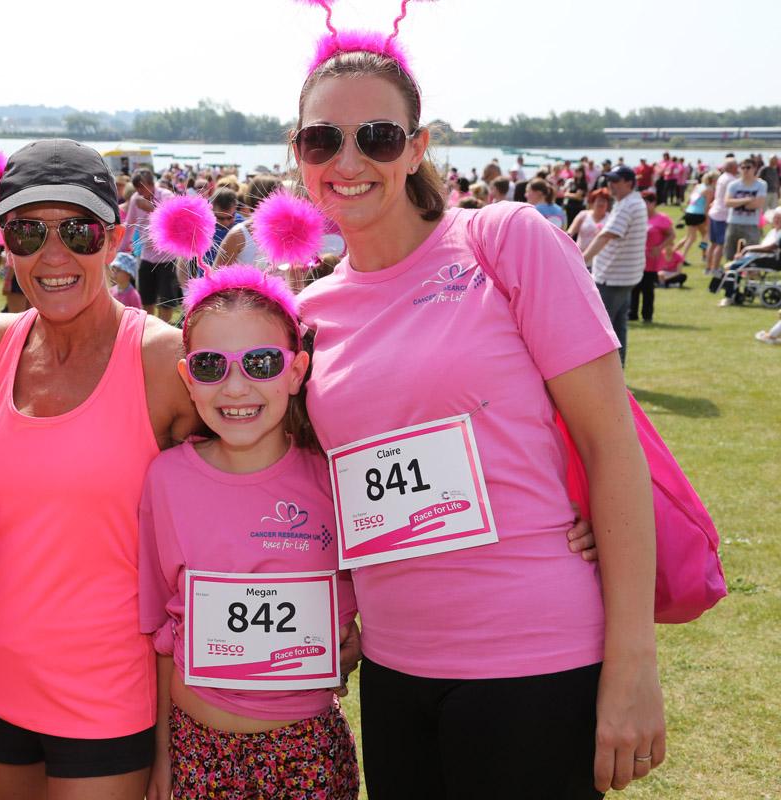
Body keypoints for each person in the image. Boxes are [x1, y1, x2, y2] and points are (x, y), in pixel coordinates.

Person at [289, 15, 662, 798]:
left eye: (378, 137)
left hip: (535, 662)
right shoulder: (310, 311)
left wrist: (633, 666)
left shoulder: (505, 240)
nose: (348, 161)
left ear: (418, 149)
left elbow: (610, 446)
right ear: (299, 155)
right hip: (395, 669)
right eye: (323, 140)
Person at [0, 139, 200, 800]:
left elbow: (249, 486)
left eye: (80, 231)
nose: (54, 255)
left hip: (107, 697)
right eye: (29, 231)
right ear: (4, 240)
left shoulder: (165, 361)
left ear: (116, 236)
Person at [140, 266, 360, 799]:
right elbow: (161, 636)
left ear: (296, 370)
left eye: (260, 363)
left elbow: (387, 606)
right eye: (211, 366)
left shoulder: (336, 477)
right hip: (198, 753)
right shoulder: (166, 480)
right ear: (188, 377)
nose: (235, 387)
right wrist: (162, 758)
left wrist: (347, 648)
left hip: (308, 754)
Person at [583, 165, 648, 365]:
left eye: (615, 181)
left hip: (614, 277)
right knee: (618, 329)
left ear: (629, 183)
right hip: (624, 275)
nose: (610, 185)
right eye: (609, 180)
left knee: (602, 332)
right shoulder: (630, 202)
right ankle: (617, 374)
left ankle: (606, 379)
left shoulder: (628, 205)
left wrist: (581, 260)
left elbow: (606, 236)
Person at [119, 168, 179, 320]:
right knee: (146, 299)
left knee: (166, 302)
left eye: (141, 188)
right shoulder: (135, 198)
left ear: (151, 184)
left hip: (167, 258)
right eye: (137, 188)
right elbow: (130, 225)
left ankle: (164, 330)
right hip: (147, 256)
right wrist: (119, 249)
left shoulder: (167, 196)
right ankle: (148, 330)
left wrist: (152, 208)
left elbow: (174, 219)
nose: (139, 192)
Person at [630, 190, 674, 324]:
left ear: (654, 203)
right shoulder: (636, 217)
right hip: (635, 257)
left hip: (651, 259)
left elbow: (671, 235)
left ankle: (647, 315)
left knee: (647, 288)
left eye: (647, 202)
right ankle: (632, 313)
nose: (644, 206)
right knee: (634, 287)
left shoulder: (661, 219)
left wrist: (660, 247)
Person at [723, 159, 768, 256]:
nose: (745, 170)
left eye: (748, 167)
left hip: (751, 224)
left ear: (754, 169)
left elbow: (757, 204)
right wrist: (747, 200)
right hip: (733, 223)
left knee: (752, 254)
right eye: (743, 167)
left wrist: (737, 202)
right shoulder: (733, 185)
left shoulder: (761, 184)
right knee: (730, 253)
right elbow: (727, 202)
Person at [706, 158, 738, 273]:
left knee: (713, 243)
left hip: (715, 212)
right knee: (720, 244)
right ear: (732, 167)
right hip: (723, 215)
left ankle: (708, 267)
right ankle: (715, 268)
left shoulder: (722, 177)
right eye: (736, 166)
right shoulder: (732, 180)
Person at [678, 171, 715, 266]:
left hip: (690, 212)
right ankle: (682, 258)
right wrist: (707, 219)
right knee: (696, 237)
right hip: (699, 214)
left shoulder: (698, 186)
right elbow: (706, 206)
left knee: (693, 236)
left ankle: (673, 252)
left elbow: (690, 200)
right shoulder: (710, 190)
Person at [567, 188, 610, 266]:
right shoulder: (583, 215)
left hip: (600, 262)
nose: (601, 203)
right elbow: (570, 232)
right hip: (579, 258)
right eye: (599, 200)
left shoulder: (610, 219)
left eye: (604, 200)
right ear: (592, 202)